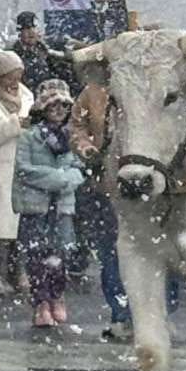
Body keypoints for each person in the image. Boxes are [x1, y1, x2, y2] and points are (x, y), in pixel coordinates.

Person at [13, 79, 85, 327]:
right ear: (43, 108)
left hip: (63, 207)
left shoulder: (71, 138)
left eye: (64, 106)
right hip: (36, 206)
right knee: (36, 256)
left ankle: (57, 296)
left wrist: (66, 179)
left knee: (61, 254)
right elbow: (24, 170)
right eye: (54, 106)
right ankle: (41, 302)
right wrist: (58, 178)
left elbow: (78, 169)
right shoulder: (28, 137)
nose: (59, 110)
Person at [69, 62, 132, 339]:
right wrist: (85, 147)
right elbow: (77, 126)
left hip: (146, 185)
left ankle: (157, 313)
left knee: (155, 252)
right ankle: (121, 313)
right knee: (111, 252)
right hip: (106, 184)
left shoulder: (147, 85)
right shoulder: (92, 92)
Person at [0, 49, 34, 295]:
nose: (15, 82)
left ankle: (17, 270)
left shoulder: (27, 95)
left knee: (20, 224)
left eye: (19, 76)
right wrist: (14, 124)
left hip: (22, 168)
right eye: (10, 77)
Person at [12, 11, 78, 97]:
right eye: (27, 28)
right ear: (20, 32)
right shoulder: (14, 56)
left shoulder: (45, 49)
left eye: (34, 27)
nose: (31, 31)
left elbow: (63, 74)